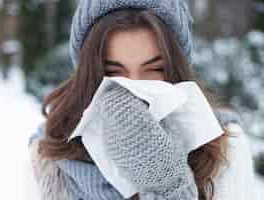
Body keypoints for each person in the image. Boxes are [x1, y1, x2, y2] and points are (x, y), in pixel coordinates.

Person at [27, 0, 256, 199]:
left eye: (155, 68)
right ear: (89, 74)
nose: (134, 88)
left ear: (176, 69)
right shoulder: (49, 159)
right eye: (113, 71)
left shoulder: (225, 149)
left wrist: (168, 186)